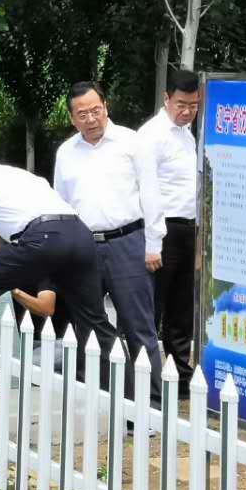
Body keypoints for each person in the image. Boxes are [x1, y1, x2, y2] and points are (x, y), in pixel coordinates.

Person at [0, 151, 105, 360]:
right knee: (94, 321)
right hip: (80, 233)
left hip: (44, 236)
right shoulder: (18, 175)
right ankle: (118, 381)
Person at [54, 81, 165, 385]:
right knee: (88, 328)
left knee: (139, 326)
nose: (91, 119)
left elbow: (152, 195)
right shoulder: (65, 153)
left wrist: (154, 244)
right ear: (72, 118)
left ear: (105, 107)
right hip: (83, 248)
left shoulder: (132, 143)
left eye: (96, 110)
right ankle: (105, 395)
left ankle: (153, 400)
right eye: (82, 114)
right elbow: (60, 204)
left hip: (128, 244)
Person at [138, 69, 200, 394]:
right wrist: (153, 242)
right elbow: (146, 191)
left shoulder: (188, 135)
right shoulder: (151, 135)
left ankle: (181, 377)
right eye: (181, 104)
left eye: (193, 105)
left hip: (188, 229)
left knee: (181, 307)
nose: (187, 111)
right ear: (166, 99)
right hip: (163, 231)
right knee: (154, 306)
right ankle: (147, 381)